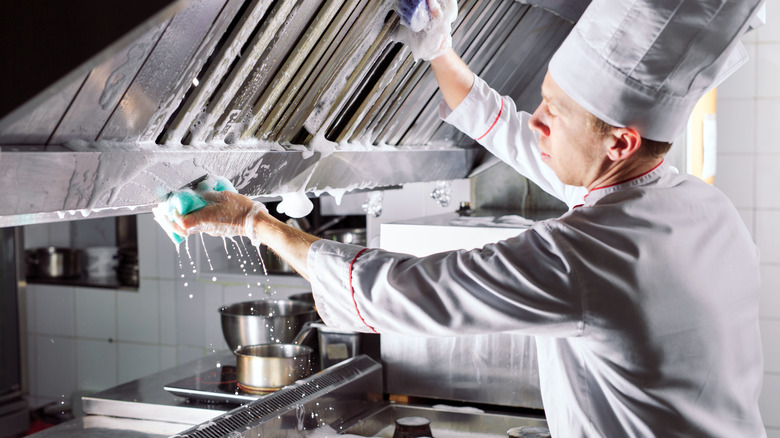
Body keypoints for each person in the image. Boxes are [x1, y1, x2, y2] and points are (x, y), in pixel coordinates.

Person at [157, 0, 767, 435]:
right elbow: (518, 134)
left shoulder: (587, 256)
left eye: (553, 110)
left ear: (621, 144)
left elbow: (405, 293)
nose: (537, 119)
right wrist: (438, 48)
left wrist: (253, 223)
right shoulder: (694, 205)